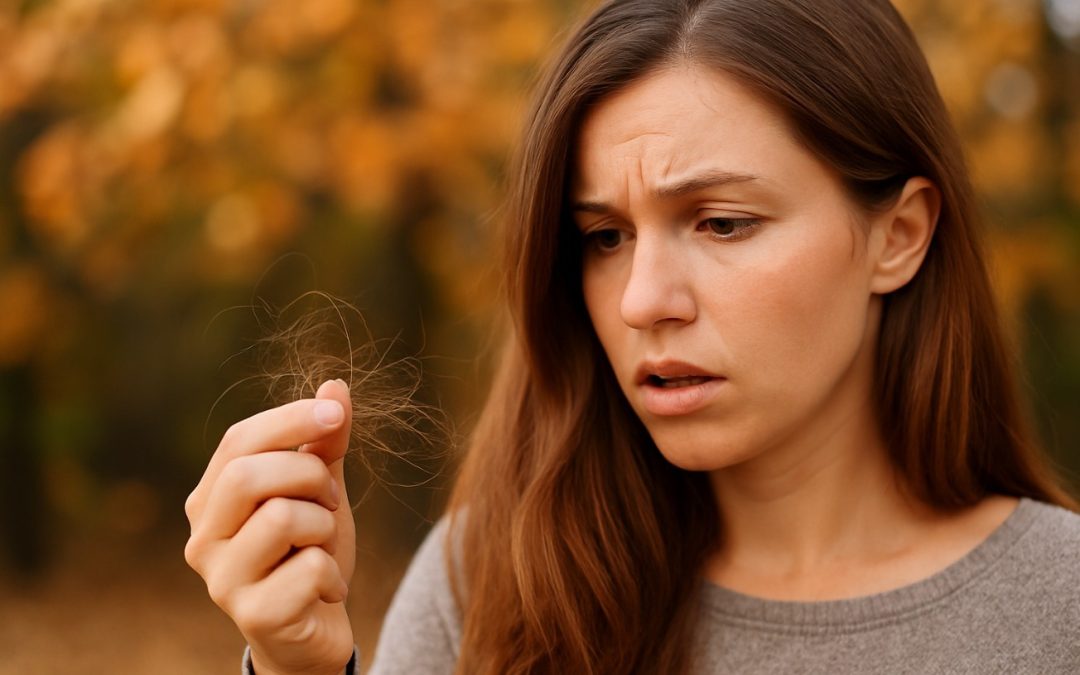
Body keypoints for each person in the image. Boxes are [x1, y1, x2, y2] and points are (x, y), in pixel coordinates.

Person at [183, 0, 1080, 673]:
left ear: (900, 235)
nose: (643, 299)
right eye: (603, 237)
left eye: (723, 222)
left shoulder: (1060, 607)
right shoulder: (495, 583)